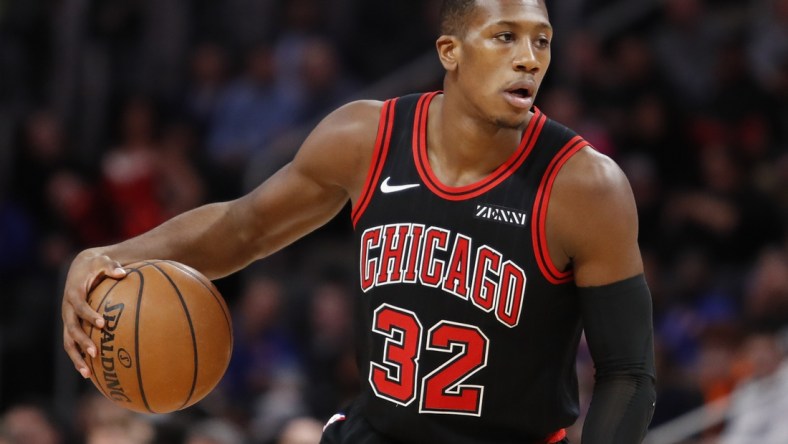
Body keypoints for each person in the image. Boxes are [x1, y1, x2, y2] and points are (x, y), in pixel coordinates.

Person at [62, 1, 656, 442]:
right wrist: (114, 255)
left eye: (542, 41)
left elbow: (627, 372)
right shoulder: (366, 138)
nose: (529, 59)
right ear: (450, 51)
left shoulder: (584, 186)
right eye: (505, 37)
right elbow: (244, 230)